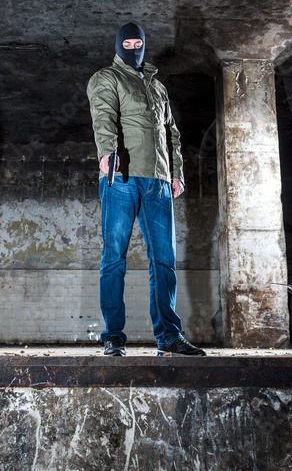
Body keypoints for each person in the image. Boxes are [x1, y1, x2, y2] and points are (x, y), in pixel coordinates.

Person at [86, 22, 206, 357]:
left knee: (164, 261)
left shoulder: (158, 87)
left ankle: (169, 336)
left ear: (144, 45)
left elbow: (171, 133)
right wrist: (107, 153)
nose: (133, 49)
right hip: (121, 178)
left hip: (159, 182)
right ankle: (113, 336)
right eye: (127, 44)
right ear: (118, 46)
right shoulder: (107, 78)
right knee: (114, 258)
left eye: (138, 44)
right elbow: (103, 116)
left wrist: (176, 173)